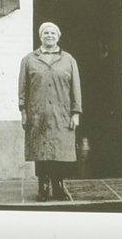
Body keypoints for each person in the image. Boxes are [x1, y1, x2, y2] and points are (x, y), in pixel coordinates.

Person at [17, 21, 83, 201]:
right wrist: (24, 112)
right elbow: (23, 89)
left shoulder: (69, 60)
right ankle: (43, 186)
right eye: (46, 33)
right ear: (40, 36)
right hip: (37, 113)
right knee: (41, 150)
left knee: (60, 151)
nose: (49, 36)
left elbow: (75, 88)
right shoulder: (29, 60)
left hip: (62, 113)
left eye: (53, 33)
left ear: (58, 36)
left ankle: (58, 185)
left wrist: (75, 113)